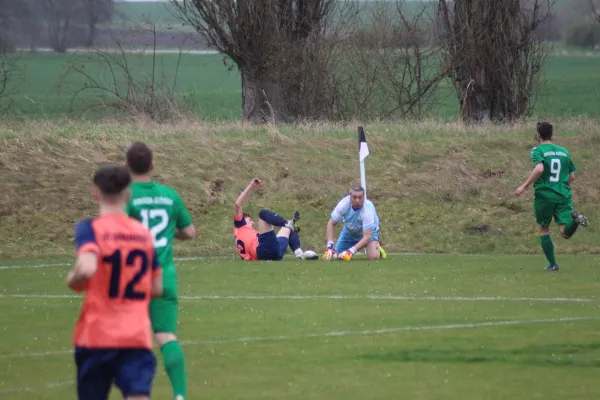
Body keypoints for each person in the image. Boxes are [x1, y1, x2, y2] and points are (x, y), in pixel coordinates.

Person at [67, 165, 163, 400]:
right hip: (135, 335)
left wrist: (72, 280)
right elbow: (156, 288)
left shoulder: (89, 229)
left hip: (96, 335)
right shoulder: (143, 234)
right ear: (128, 194)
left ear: (96, 194)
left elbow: (87, 267)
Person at [125, 142, 196, 400]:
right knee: (166, 336)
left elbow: (116, 228)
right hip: (164, 276)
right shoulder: (169, 196)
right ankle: (179, 395)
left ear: (126, 166)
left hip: (132, 278)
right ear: (152, 166)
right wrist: (168, 231)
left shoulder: (126, 195)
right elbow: (189, 232)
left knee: (131, 340)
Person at [515, 122, 588, 271]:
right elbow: (572, 176)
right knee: (564, 233)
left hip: (545, 195)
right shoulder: (564, 152)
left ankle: (553, 264)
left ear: (538, 135)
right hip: (563, 195)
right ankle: (575, 220)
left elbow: (539, 168)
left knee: (544, 228)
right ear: (551, 134)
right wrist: (561, 186)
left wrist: (524, 186)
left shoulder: (537, 150)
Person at [234, 178, 317, 261]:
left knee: (287, 229)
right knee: (262, 213)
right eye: (249, 219)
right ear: (242, 220)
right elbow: (238, 204)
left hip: (273, 253)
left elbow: (246, 255)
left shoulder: (243, 238)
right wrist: (251, 185)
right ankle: (287, 223)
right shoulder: (240, 226)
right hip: (264, 251)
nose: (252, 222)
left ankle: (299, 254)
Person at [323, 185, 387, 261]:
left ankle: (377, 249)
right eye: (354, 197)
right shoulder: (343, 204)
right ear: (350, 197)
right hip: (349, 232)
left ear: (363, 197)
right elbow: (331, 223)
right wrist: (329, 245)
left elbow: (367, 237)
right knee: (336, 257)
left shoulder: (368, 210)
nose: (357, 200)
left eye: (360, 197)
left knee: (373, 257)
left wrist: (351, 251)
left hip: (368, 233)